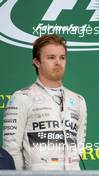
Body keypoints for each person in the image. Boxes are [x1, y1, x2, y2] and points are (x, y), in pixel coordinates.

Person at [2, 34, 87, 170]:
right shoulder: (22, 97)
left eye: (62, 57)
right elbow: (11, 151)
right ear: (37, 62)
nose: (58, 62)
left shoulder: (78, 100)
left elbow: (79, 147)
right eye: (51, 57)